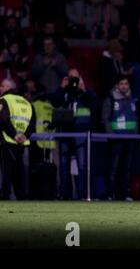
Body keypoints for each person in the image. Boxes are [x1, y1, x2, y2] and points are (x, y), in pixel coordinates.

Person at [51, 68, 95, 200]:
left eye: (75, 77)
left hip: (81, 131)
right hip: (65, 130)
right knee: (64, 164)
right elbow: (54, 102)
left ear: (80, 77)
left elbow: (93, 102)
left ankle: (82, 195)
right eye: (71, 78)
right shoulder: (64, 92)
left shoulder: (84, 92)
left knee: (82, 164)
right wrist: (61, 88)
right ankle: (65, 195)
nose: (73, 81)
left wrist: (83, 89)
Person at [102, 76, 137, 201]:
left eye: (126, 83)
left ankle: (125, 193)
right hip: (116, 139)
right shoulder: (110, 100)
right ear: (117, 85)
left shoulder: (132, 99)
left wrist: (135, 134)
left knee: (127, 168)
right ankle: (111, 193)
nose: (124, 86)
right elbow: (105, 119)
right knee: (114, 168)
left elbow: (135, 118)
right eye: (121, 83)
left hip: (130, 139)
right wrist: (111, 135)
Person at [0, 78, 35, 200]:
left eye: (2, 86)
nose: (0, 88)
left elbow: (4, 120)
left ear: (9, 87)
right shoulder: (27, 103)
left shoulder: (4, 100)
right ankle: (21, 197)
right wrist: (25, 135)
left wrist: (14, 135)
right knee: (20, 172)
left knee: (6, 172)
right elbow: (32, 123)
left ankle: (5, 197)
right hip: (23, 142)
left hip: (8, 140)